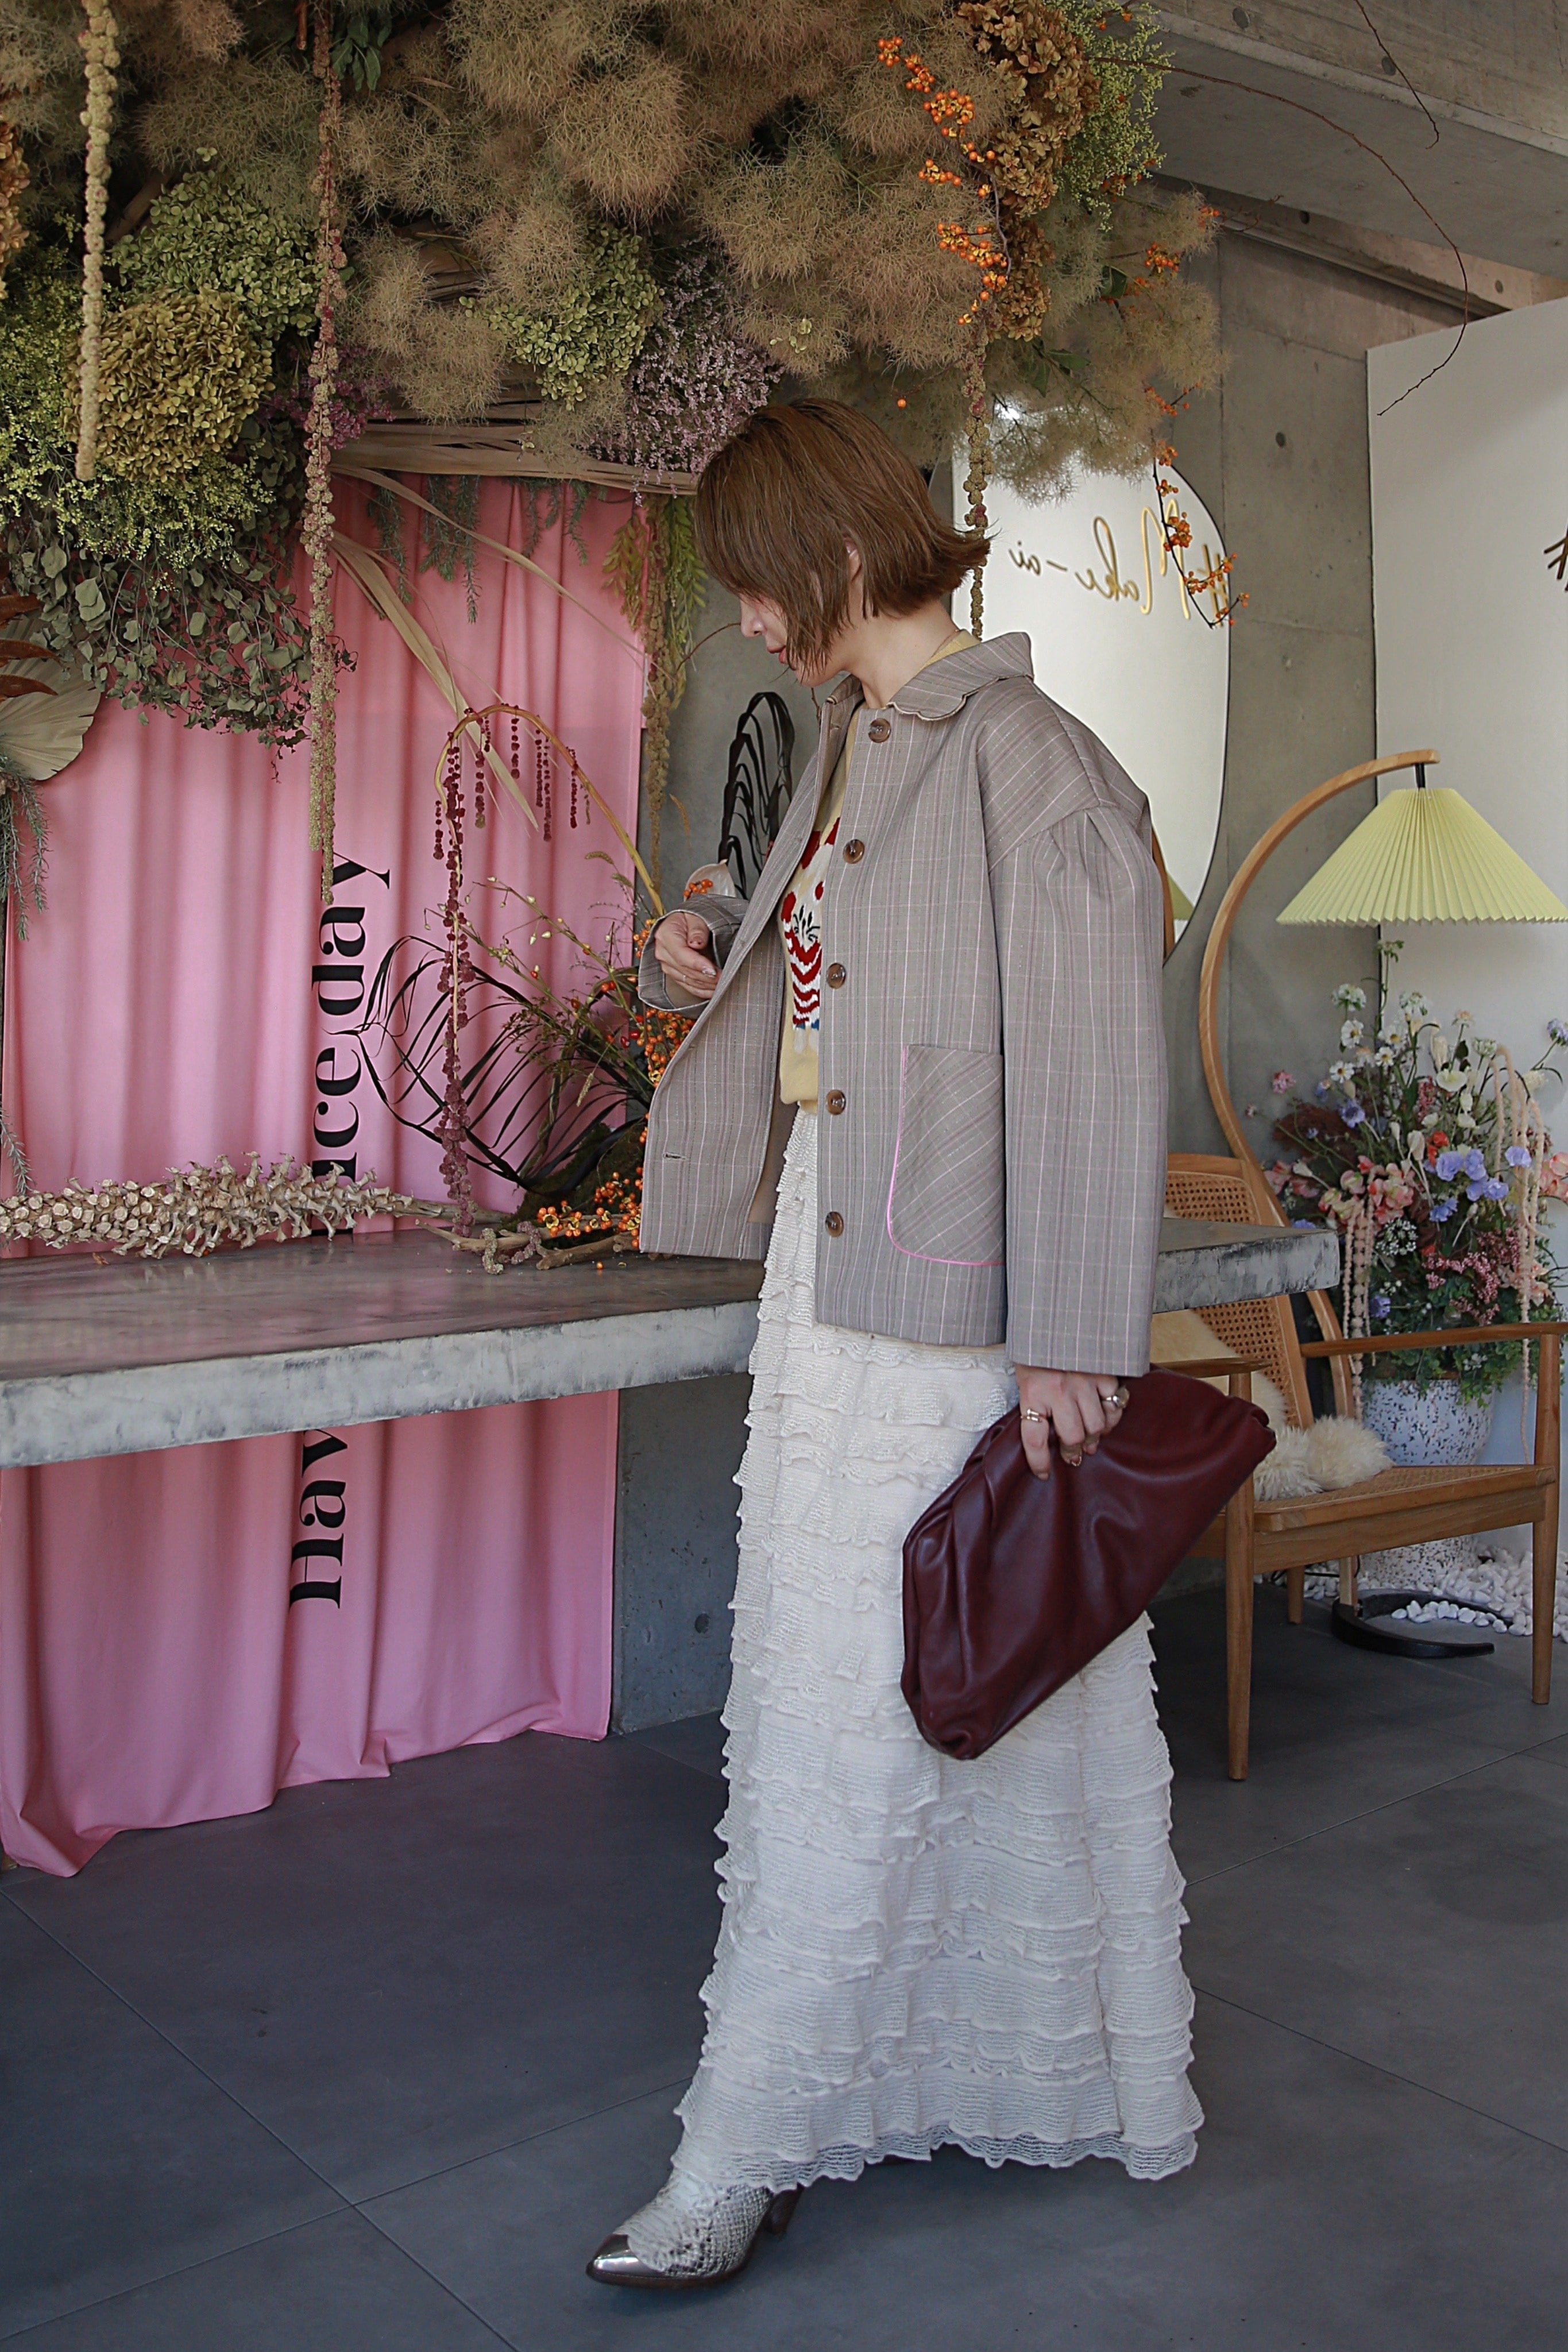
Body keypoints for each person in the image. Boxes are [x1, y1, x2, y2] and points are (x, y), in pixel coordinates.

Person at [588, 400, 1200, 2290]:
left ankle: (748, 2139)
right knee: (862, 1694)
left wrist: (1072, 1340)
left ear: (838, 554)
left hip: (956, 1312)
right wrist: (720, 941)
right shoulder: (864, 743)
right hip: (833, 1274)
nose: (748, 622)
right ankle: (927, 2065)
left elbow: (1096, 1061)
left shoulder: (1032, 760)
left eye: (757, 585)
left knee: (916, 1683)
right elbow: (853, 983)